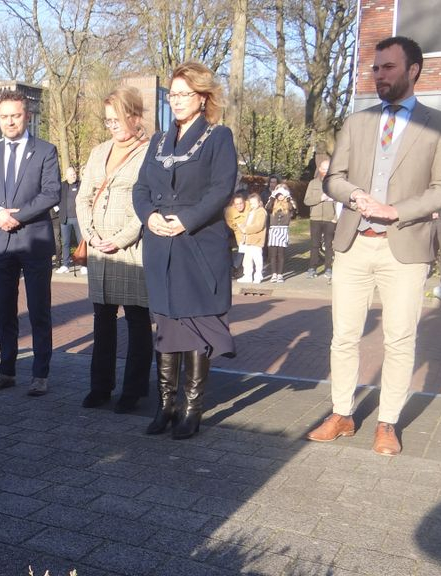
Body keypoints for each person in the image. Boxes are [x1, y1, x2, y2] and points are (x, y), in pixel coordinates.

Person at [307, 36, 441, 456]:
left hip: (405, 247)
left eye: (388, 67)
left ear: (413, 70)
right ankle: (342, 414)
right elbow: (332, 178)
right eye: (375, 68)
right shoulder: (358, 121)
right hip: (353, 243)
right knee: (343, 336)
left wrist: (397, 211)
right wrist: (355, 196)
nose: (379, 75)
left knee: (399, 339)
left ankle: (387, 422)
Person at [132, 61, 237, 440]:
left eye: (184, 94)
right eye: (172, 95)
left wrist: (186, 220)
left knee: (193, 325)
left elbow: (221, 189)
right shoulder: (158, 141)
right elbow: (140, 188)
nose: (176, 101)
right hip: (161, 245)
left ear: (202, 96)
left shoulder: (218, 136)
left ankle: (191, 409)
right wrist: (149, 217)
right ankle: (166, 406)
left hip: (198, 245)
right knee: (166, 325)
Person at [0, 90, 60, 396]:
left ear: (27, 116)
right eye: (4, 116)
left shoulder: (45, 151)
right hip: (1, 241)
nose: (10, 121)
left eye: (16, 115)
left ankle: (40, 374)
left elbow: (52, 193)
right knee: (5, 311)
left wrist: (19, 216)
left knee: (39, 309)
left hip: (34, 238)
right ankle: (6, 370)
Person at [77, 86, 153, 413]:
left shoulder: (150, 151)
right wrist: (90, 235)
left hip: (131, 248)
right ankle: (100, 386)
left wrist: (120, 238)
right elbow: (83, 197)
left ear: (135, 116)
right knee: (102, 320)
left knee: (137, 320)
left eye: (117, 120)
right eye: (108, 122)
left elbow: (147, 202)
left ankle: (133, 390)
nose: (113, 127)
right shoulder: (98, 151)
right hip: (99, 249)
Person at [305, 159, 337, 280]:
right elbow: (307, 201)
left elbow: (339, 204)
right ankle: (312, 268)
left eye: (328, 169)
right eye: (323, 169)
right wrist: (321, 198)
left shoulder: (334, 184)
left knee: (329, 245)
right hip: (316, 218)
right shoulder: (312, 183)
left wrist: (335, 218)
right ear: (319, 169)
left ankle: (328, 268)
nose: (325, 171)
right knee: (314, 245)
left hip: (330, 219)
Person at [265, 184, 296, 283]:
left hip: (283, 230)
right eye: (278, 194)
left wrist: (288, 198)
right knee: (273, 255)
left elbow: (293, 209)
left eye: (282, 194)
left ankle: (280, 274)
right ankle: (274, 274)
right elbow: (268, 208)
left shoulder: (288, 204)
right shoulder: (273, 204)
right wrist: (272, 197)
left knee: (281, 254)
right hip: (273, 230)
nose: (280, 196)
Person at [55, 166, 82, 273]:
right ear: (66, 176)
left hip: (78, 218)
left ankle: (83, 264)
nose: (73, 176)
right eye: (71, 174)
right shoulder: (62, 186)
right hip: (65, 219)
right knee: (65, 243)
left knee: (81, 242)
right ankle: (65, 264)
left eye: (74, 174)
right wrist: (58, 211)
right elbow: (55, 198)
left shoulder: (81, 185)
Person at [237, 192, 267, 283]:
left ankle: (258, 275)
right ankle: (247, 276)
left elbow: (259, 226)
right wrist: (241, 226)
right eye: (251, 203)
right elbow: (246, 223)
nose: (252, 205)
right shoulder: (250, 212)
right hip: (247, 240)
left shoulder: (261, 212)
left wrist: (246, 229)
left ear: (259, 202)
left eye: (254, 203)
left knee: (257, 259)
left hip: (256, 240)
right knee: (247, 259)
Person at [224, 193, 248, 275]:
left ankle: (238, 269)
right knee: (241, 250)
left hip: (251, 233)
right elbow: (233, 226)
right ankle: (235, 268)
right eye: (237, 204)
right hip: (237, 233)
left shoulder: (249, 207)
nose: (239, 206)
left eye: (241, 203)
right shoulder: (229, 212)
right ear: (234, 205)